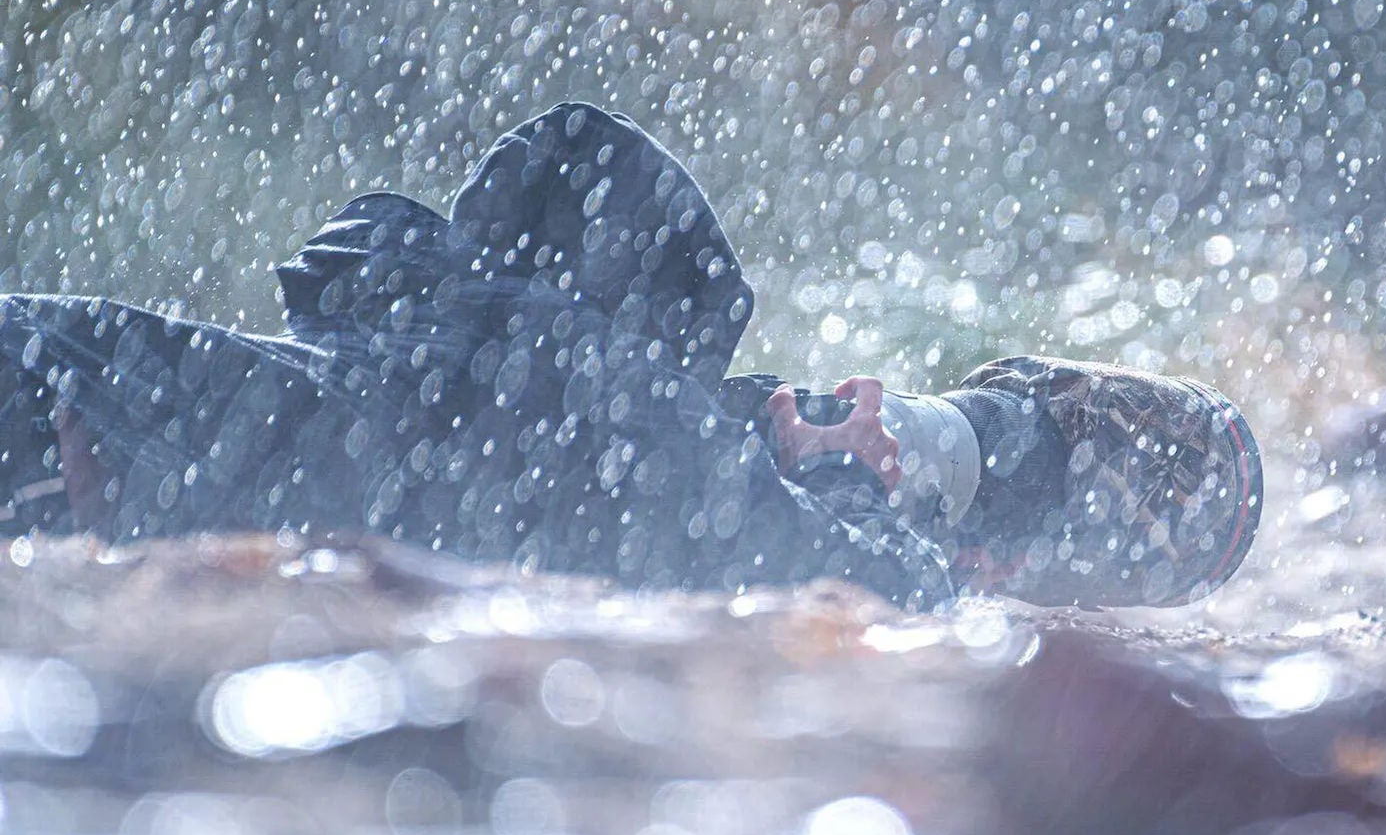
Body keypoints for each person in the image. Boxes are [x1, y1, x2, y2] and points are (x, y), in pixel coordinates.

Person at [0, 103, 1261, 608]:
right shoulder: (730, 468)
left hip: (103, 419)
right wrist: (775, 440)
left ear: (996, 556)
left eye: (955, 461)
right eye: (929, 419)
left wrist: (779, 454)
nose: (878, 418)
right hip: (84, 408)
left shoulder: (817, 536)